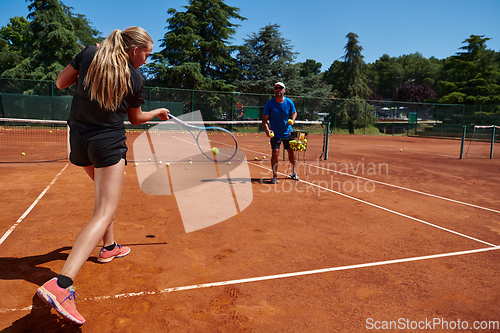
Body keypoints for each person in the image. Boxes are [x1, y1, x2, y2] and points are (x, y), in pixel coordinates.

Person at [36, 26, 170, 325]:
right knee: (104, 209)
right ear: (134, 50)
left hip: (79, 140)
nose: (146, 60)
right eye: (146, 54)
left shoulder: (89, 54)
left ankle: (109, 248)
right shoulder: (135, 78)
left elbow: (60, 83)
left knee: (104, 196)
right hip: (107, 145)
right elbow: (135, 119)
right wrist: (158, 112)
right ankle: (62, 284)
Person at [262, 82, 298, 184]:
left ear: (284, 90)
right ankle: (274, 176)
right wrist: (267, 130)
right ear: (274, 90)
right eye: (276, 88)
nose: (278, 90)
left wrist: (293, 120)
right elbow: (264, 120)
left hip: (288, 133)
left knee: (291, 152)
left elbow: (294, 112)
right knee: (275, 154)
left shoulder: (289, 102)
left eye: (280, 88)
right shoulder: (269, 104)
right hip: (276, 134)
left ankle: (294, 172)